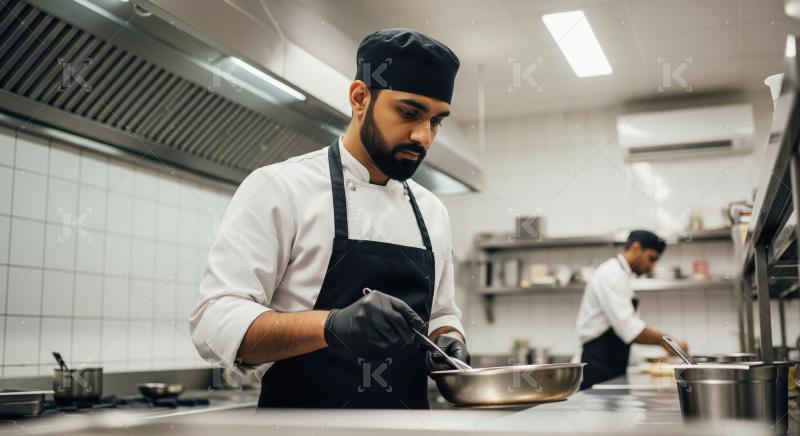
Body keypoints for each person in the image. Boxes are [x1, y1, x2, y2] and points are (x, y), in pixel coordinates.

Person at [190, 28, 468, 409]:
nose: (423, 136)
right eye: (408, 113)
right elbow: (213, 321)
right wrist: (330, 326)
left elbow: (441, 313)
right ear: (359, 98)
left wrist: (449, 338)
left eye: (437, 121)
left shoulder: (433, 211)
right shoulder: (280, 188)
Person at [575, 230, 689, 389]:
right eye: (651, 258)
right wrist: (667, 342)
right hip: (598, 365)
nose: (652, 266)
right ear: (636, 248)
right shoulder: (610, 274)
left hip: (610, 363)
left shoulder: (621, 275)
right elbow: (628, 327)